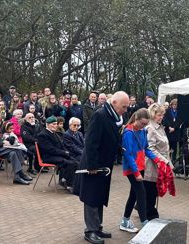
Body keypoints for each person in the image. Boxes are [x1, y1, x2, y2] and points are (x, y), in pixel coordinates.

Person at [76, 91, 129, 244]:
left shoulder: (115, 116)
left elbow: (112, 138)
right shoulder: (100, 115)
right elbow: (91, 141)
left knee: (100, 196)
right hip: (94, 164)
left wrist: (120, 150)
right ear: (114, 103)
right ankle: (90, 231)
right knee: (91, 197)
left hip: (105, 163)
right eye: (124, 107)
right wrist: (92, 165)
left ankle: (97, 226)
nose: (125, 110)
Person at [120, 108, 162, 233]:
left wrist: (157, 160)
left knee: (134, 194)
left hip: (140, 166)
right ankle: (145, 222)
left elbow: (146, 149)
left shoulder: (142, 131)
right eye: (142, 123)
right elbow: (128, 155)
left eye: (146, 124)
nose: (144, 126)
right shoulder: (128, 132)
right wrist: (136, 173)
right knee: (141, 194)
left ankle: (125, 220)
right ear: (136, 119)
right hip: (132, 169)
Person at [145, 104, 174, 220]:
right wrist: (163, 161)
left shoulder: (160, 127)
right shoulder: (150, 128)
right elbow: (150, 148)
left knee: (154, 190)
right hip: (152, 164)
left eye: (162, 115)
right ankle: (149, 214)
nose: (161, 117)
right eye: (159, 115)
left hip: (161, 161)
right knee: (150, 190)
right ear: (153, 115)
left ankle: (150, 211)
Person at [37, 116, 79, 189]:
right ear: (47, 124)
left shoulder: (54, 133)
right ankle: (69, 185)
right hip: (48, 157)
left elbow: (61, 146)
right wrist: (64, 153)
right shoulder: (43, 135)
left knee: (75, 161)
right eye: (53, 124)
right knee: (70, 163)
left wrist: (67, 152)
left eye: (56, 124)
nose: (55, 126)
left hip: (56, 155)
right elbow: (49, 150)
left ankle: (64, 180)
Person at [163, 99, 181, 163]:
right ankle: (167, 159)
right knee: (168, 145)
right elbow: (165, 119)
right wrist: (169, 127)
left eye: (176, 105)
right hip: (169, 131)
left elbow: (179, 121)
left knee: (174, 146)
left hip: (175, 132)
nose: (174, 106)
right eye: (173, 104)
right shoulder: (167, 111)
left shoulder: (179, 112)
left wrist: (174, 128)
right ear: (171, 105)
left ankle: (174, 159)